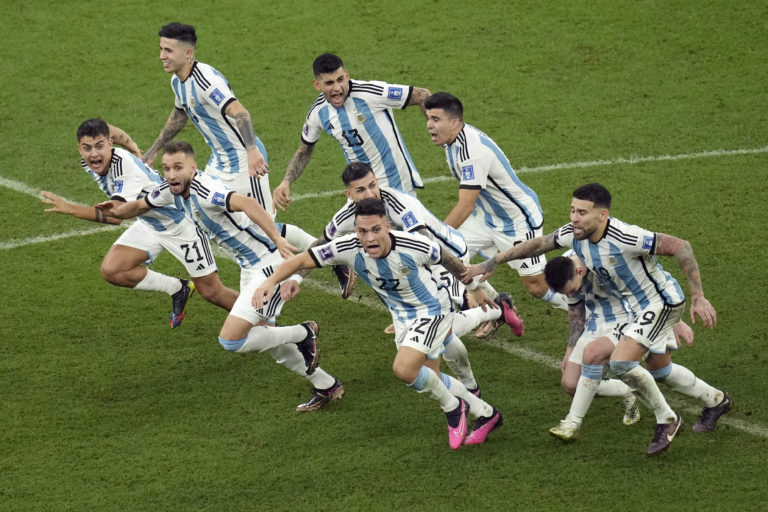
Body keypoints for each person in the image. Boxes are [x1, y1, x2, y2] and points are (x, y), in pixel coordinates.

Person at [465, 183, 731, 455]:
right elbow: (540, 244)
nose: (574, 217)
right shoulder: (575, 236)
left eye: (582, 212)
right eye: (572, 210)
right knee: (659, 370)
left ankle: (667, 419)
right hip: (633, 309)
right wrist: (493, 261)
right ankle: (716, 400)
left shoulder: (626, 237)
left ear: (602, 215)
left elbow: (680, 246)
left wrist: (698, 297)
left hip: (660, 303)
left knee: (620, 362)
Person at [98, 141, 344, 411]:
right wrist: (119, 210)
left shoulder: (206, 190)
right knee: (268, 336)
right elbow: (142, 204)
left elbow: (248, 203)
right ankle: (326, 385)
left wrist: (277, 237)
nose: (171, 174)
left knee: (232, 339)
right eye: (166, 168)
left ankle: (303, 332)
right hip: (249, 268)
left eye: (178, 168)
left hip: (269, 265)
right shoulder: (172, 190)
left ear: (193, 167)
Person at [253, 198, 504, 449]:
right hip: (401, 315)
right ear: (355, 230)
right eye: (362, 231)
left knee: (404, 369)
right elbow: (301, 260)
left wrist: (475, 288)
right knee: (431, 376)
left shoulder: (414, 245)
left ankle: (453, 407)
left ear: (387, 226)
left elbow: (450, 261)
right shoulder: (348, 247)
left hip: (433, 309)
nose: (369, 238)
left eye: (375, 230)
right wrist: (268, 283)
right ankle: (486, 413)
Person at [312, 162, 522, 395]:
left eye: (372, 185)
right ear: (348, 195)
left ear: (377, 181)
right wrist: (289, 278)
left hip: (445, 255)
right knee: (439, 331)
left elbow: (429, 248)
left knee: (443, 328)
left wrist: (469, 285)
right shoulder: (349, 215)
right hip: (420, 264)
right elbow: (319, 244)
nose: (370, 193)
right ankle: (494, 320)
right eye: (360, 190)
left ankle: (475, 375)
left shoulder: (402, 205)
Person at [41, 118, 237, 327]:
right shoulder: (92, 161)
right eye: (87, 148)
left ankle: (262, 321)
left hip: (181, 224)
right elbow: (111, 130)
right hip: (150, 222)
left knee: (211, 291)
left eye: (99, 146)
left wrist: (70, 208)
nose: (94, 154)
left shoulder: (124, 168)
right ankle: (178, 288)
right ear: (79, 148)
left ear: (109, 144)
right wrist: (133, 146)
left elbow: (116, 216)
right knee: (113, 270)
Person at [141, 22, 316, 253]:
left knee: (265, 227)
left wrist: (252, 152)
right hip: (220, 160)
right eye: (161, 49)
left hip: (245, 160)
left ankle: (321, 252)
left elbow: (240, 112)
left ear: (188, 53)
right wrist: (154, 150)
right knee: (202, 212)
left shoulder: (205, 80)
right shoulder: (177, 81)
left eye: (168, 51)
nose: (162, 56)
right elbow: (179, 114)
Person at [424, 92, 569, 316]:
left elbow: (465, 206)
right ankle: (500, 308)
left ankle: (585, 304)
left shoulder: (471, 152)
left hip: (518, 221)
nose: (429, 125)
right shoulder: (452, 139)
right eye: (428, 118)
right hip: (487, 218)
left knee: (537, 287)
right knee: (446, 257)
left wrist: (436, 236)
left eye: (435, 119)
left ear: (454, 122)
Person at [272, 52, 430, 210]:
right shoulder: (318, 112)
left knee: (404, 234)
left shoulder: (370, 92)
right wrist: (286, 181)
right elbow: (304, 150)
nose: (337, 88)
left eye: (341, 79)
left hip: (398, 186)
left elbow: (422, 95)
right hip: (360, 191)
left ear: (347, 75)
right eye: (329, 83)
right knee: (344, 233)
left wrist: (437, 131)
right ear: (317, 85)